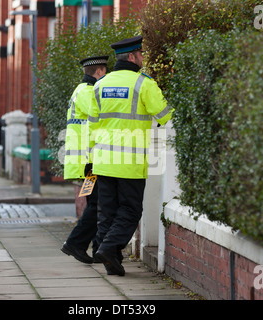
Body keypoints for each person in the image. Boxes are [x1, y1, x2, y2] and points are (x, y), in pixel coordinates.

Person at [87, 35, 173, 276]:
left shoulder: (100, 85)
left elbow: (91, 126)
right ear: (133, 57)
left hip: (103, 161)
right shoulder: (143, 84)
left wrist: (90, 158)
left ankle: (110, 261)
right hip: (129, 163)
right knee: (130, 210)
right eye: (142, 54)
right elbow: (166, 116)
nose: (143, 58)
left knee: (107, 213)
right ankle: (109, 247)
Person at [60, 55, 109, 264]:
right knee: (97, 203)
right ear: (98, 72)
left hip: (84, 160)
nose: (106, 76)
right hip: (91, 160)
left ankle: (91, 247)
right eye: (105, 71)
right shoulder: (89, 93)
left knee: (93, 202)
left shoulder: (78, 91)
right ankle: (75, 243)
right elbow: (103, 117)